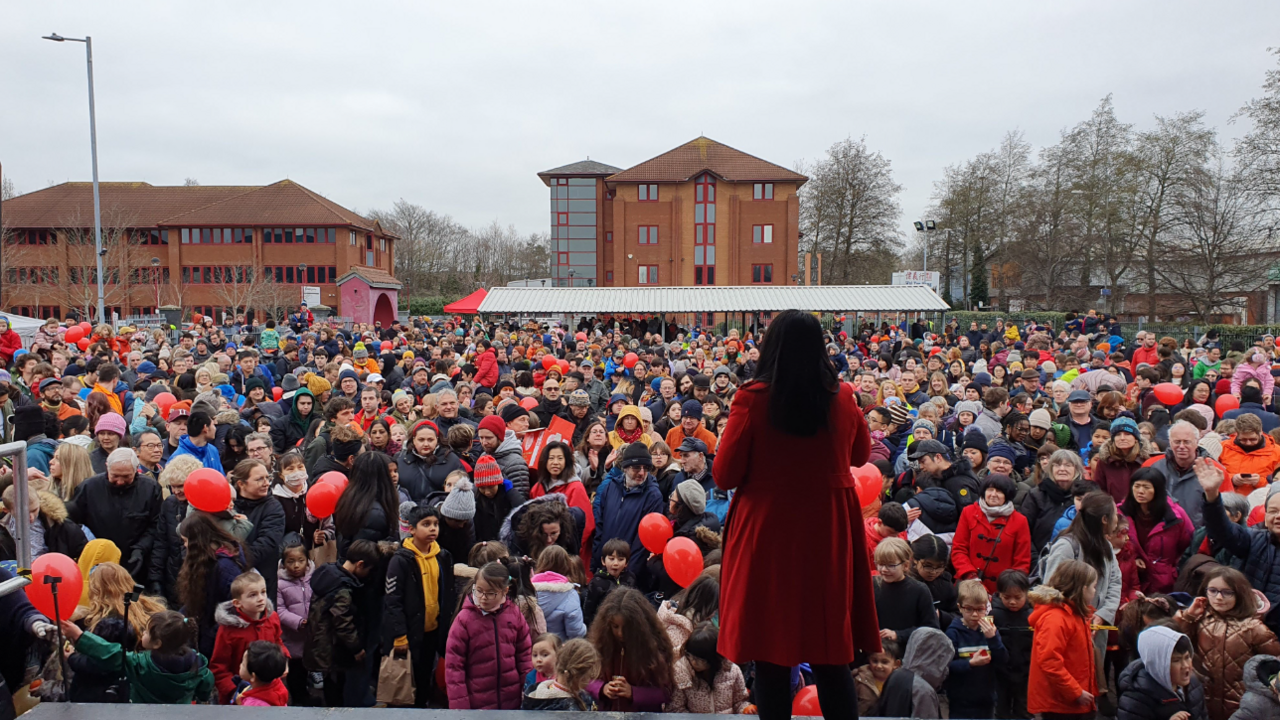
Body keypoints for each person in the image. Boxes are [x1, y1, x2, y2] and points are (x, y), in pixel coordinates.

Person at [713, 310, 875, 720]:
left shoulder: (752, 397)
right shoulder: (841, 397)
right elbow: (860, 455)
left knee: (770, 649)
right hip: (828, 526)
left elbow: (724, 473)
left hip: (768, 527)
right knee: (829, 649)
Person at [1176, 566, 1280, 720]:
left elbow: (1274, 664)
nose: (1218, 598)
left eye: (1227, 592)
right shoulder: (1199, 619)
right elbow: (1176, 643)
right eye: (1212, 591)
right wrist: (1187, 617)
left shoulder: (1254, 628)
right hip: (1203, 701)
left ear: (1239, 594)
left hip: (1241, 707)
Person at [384, 503, 456, 708]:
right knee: (406, 679)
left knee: (425, 675)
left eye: (435, 524)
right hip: (409, 632)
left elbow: (448, 593)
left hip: (433, 630)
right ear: (412, 529)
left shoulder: (443, 556)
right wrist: (399, 635)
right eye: (426, 524)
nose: (433, 528)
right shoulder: (401, 560)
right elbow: (393, 600)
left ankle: (421, 706)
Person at [59, 611, 216, 705]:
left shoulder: (142, 665)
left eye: (147, 632)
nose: (144, 633)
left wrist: (79, 636)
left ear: (157, 644)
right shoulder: (198, 664)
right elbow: (206, 684)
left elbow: (112, 653)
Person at [445, 561, 533, 710]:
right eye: (479, 591)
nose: (483, 597)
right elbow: (454, 668)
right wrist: (460, 708)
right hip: (477, 704)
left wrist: (529, 691)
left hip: (511, 701)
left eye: (491, 593)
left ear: (505, 591)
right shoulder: (464, 620)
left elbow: (524, 657)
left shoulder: (514, 614)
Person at [69, 447, 163, 582]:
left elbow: (156, 524)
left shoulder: (150, 489)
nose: (120, 481)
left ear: (136, 469)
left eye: (126, 477)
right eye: (115, 476)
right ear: (107, 467)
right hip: (98, 562)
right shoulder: (89, 488)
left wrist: (141, 548)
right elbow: (73, 523)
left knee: (133, 599)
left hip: (136, 561)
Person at [306, 538, 379, 707]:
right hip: (334, 646)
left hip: (321, 642)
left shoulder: (329, 572)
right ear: (360, 565)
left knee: (330, 683)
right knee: (336, 688)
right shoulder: (343, 588)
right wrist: (356, 648)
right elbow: (342, 622)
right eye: (369, 569)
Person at [1027, 559, 1100, 720]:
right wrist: (1075, 691)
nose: (1095, 591)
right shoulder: (1056, 618)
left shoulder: (1073, 614)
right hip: (1062, 704)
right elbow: (1049, 661)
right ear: (1083, 588)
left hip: (1073, 700)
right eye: (1094, 586)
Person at [585, 586, 674, 712]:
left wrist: (633, 692)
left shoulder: (655, 648)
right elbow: (584, 678)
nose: (620, 633)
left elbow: (666, 692)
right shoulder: (600, 644)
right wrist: (602, 689)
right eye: (615, 627)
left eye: (626, 628)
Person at [209, 571, 286, 704]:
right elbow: (219, 666)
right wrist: (235, 691)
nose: (261, 598)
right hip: (238, 697)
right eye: (253, 595)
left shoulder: (272, 618)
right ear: (237, 603)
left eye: (263, 592)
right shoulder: (228, 629)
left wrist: (284, 662)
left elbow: (278, 643)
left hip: (271, 689)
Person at [951, 473, 1031, 593]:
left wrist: (1010, 587)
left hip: (1001, 591)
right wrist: (970, 576)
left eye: (999, 491)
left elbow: (1022, 561)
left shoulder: (1020, 521)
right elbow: (958, 548)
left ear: (1007, 495)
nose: (993, 494)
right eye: (990, 490)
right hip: (968, 586)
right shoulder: (968, 512)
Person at [591, 442, 664, 572]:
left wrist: (628, 574)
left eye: (646, 468)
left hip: (628, 573)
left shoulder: (653, 496)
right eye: (636, 467)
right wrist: (597, 562)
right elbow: (599, 527)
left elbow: (643, 543)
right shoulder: (611, 487)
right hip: (604, 566)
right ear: (625, 467)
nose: (642, 473)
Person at [1121, 467, 1193, 595]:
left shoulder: (1174, 517)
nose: (1140, 491)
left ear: (1158, 490)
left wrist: (1174, 571)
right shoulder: (1120, 514)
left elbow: (1187, 545)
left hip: (1165, 584)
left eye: (1146, 487)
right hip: (1131, 582)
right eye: (1136, 486)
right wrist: (1133, 557)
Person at [945, 579, 1009, 720]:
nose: (975, 614)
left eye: (980, 609)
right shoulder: (953, 633)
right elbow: (947, 666)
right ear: (960, 608)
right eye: (969, 609)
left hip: (986, 697)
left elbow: (1003, 660)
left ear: (986, 608)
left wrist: (993, 639)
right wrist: (970, 663)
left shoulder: (990, 630)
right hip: (960, 699)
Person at [1117, 625, 1208, 720]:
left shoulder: (1194, 684)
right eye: (1176, 660)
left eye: (1187, 657)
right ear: (1158, 664)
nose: (1185, 665)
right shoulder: (1136, 699)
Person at [668, 623, 751, 714]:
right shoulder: (682, 674)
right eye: (690, 656)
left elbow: (739, 701)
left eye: (700, 660)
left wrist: (745, 710)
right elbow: (676, 708)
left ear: (714, 658)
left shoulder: (732, 671)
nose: (694, 662)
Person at [873, 537, 939, 647]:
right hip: (876, 653)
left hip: (908, 652)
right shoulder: (872, 586)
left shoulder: (919, 590)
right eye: (880, 564)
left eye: (891, 565)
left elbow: (931, 628)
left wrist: (898, 635)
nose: (884, 569)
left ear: (906, 565)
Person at [276, 536, 314, 706]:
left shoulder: (314, 578)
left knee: (307, 667)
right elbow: (280, 610)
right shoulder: (280, 583)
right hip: (291, 636)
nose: (296, 565)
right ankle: (298, 700)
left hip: (310, 636)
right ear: (283, 563)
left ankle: (306, 693)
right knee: (295, 671)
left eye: (301, 560)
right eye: (291, 561)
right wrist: (299, 621)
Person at [993, 569, 1033, 720]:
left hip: (1025, 673)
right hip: (1001, 673)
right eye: (1007, 597)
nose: (1012, 602)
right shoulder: (995, 615)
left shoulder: (1032, 615)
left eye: (1018, 597)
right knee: (1001, 710)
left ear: (1026, 594)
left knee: (1024, 710)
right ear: (999, 594)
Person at [522, 637, 600, 711]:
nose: (590, 679)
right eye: (589, 675)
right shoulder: (568, 710)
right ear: (578, 676)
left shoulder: (536, 693)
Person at [532, 545, 587, 640]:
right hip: (558, 648)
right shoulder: (570, 594)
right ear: (566, 565)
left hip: (533, 649)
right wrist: (585, 628)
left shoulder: (528, 590)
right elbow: (575, 631)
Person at [584, 537, 637, 626]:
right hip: (603, 625)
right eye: (611, 559)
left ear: (626, 563)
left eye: (620, 559)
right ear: (603, 561)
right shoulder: (597, 582)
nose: (616, 563)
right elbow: (588, 609)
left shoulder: (630, 578)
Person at [854, 638, 901, 716]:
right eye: (875, 661)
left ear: (896, 664)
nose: (878, 666)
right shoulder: (859, 680)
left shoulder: (900, 682)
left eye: (884, 662)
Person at [235, 641, 290, 706]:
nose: (240, 665)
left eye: (243, 664)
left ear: (253, 676)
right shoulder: (277, 685)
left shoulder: (252, 705)